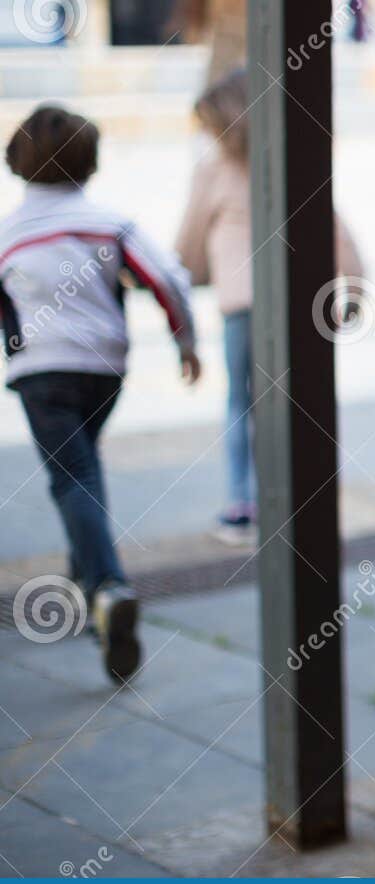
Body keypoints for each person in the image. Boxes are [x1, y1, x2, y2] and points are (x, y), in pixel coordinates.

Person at [1, 105, 202, 684]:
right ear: (91, 163)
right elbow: (167, 280)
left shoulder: (9, 232)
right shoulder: (111, 224)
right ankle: (85, 584)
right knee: (82, 469)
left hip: (41, 372)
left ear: (17, 163)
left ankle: (109, 589)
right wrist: (185, 340)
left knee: (72, 478)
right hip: (104, 369)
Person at [174, 67, 365, 546]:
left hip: (239, 303)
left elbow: (191, 239)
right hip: (291, 302)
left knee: (240, 401)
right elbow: (334, 227)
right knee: (287, 401)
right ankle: (293, 495)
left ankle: (241, 503)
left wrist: (189, 276)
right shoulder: (289, 161)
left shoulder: (213, 171)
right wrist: (355, 288)